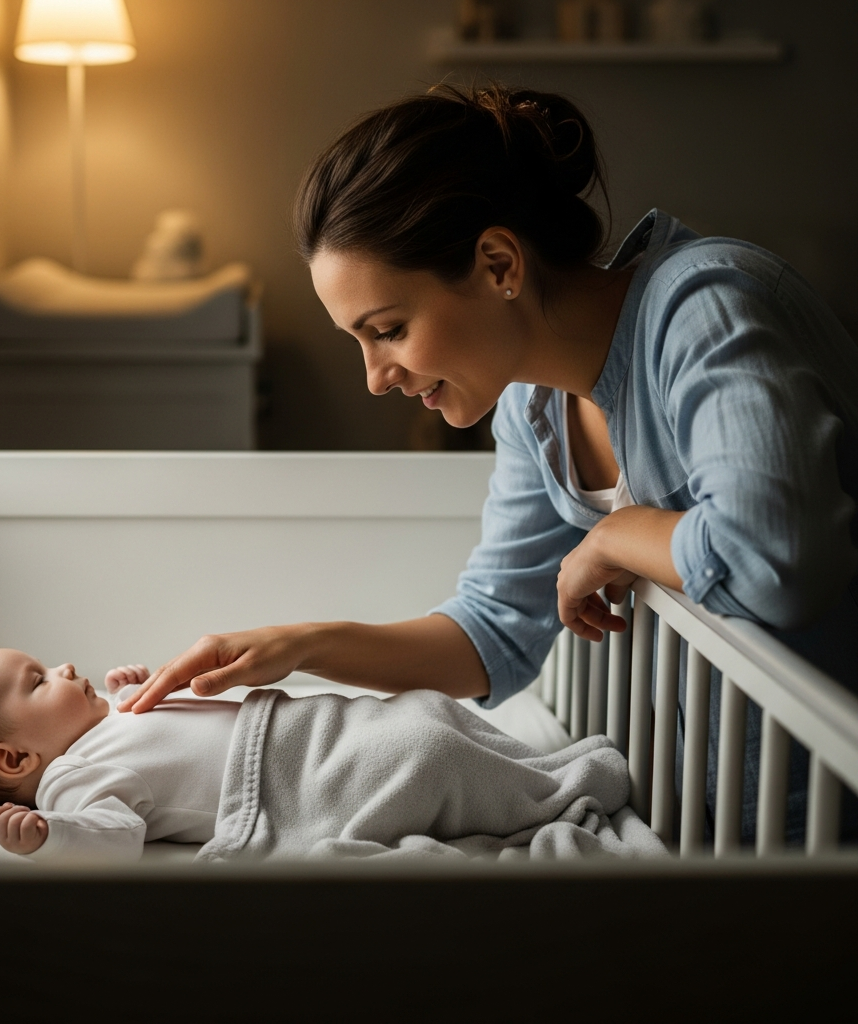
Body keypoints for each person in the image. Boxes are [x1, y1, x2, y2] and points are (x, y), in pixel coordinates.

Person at [118, 85, 858, 842]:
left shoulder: (705, 306)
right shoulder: (534, 405)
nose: (376, 378)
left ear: (499, 264)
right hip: (718, 826)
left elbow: (776, 558)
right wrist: (297, 646)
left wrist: (618, 533)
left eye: (389, 329)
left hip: (829, 822)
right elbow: (492, 634)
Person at [0, 648, 666, 861]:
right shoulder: (71, 781)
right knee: (423, 753)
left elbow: (170, 726)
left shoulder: (105, 721)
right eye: (38, 681)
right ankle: (557, 798)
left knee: (428, 715)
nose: (64, 667)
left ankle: (547, 780)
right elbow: (114, 839)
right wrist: (51, 837)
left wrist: (138, 692)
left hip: (310, 727)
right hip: (292, 781)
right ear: (13, 762)